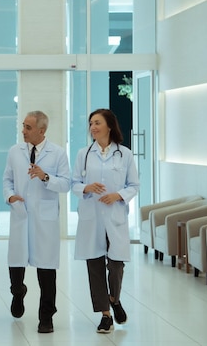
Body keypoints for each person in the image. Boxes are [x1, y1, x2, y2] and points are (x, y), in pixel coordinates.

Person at [72, 108, 139, 334]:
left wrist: (118, 195)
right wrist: (86, 187)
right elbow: (73, 183)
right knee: (95, 265)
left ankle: (114, 298)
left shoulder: (125, 154)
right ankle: (105, 315)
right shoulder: (84, 153)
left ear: (109, 126)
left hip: (115, 215)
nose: (93, 127)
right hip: (92, 216)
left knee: (116, 265)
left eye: (97, 123)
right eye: (91, 123)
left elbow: (134, 186)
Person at [3, 111, 70, 333]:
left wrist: (45, 177)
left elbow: (66, 184)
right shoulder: (15, 151)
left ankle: (46, 317)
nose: (23, 131)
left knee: (47, 270)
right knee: (16, 262)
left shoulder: (58, 153)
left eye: (28, 127)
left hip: (45, 218)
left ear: (41, 131)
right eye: (23, 126)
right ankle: (18, 292)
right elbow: (7, 179)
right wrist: (10, 196)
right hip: (21, 213)